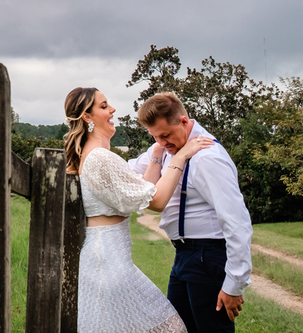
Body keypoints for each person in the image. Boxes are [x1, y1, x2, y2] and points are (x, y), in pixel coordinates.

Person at [65, 87, 213, 333]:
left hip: (106, 262)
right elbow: (156, 200)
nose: (112, 110)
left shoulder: (94, 156)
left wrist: (157, 152)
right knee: (173, 329)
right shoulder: (101, 158)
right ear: (87, 117)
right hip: (109, 266)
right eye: (103, 106)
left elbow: (143, 189)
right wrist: (182, 155)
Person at [130, 93, 253, 332]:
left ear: (184, 122)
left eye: (165, 135)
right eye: (155, 137)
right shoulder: (167, 148)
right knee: (179, 329)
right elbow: (132, 168)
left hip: (207, 256)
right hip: (185, 254)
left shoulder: (207, 158)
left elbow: (236, 222)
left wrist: (234, 285)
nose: (161, 142)